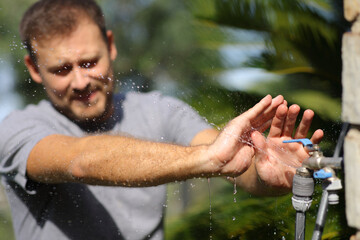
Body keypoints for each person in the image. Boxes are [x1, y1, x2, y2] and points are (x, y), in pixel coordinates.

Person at [0, 0, 323, 239]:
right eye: (61, 70)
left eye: (88, 62)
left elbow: (233, 162)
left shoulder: (161, 110)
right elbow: (79, 161)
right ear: (33, 69)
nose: (81, 81)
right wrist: (209, 158)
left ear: (110, 46)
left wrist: (264, 174)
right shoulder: (17, 130)